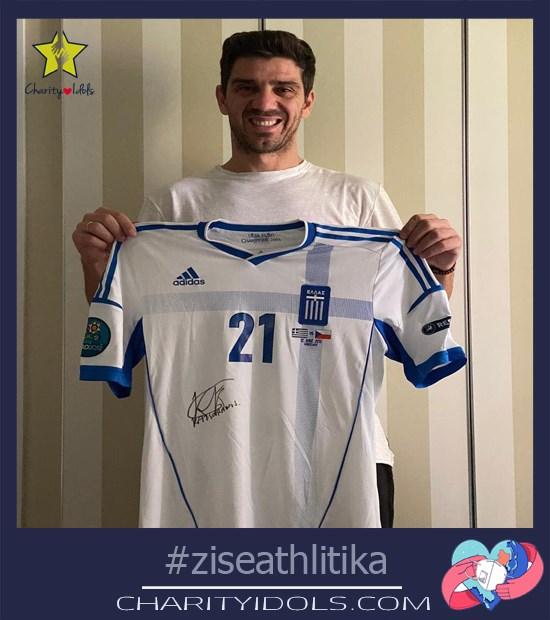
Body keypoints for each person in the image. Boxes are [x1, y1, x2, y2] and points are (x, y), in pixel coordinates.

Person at [72, 30, 462, 527]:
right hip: (208, 468)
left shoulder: (359, 201)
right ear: (222, 98)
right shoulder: (172, 207)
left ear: (308, 101)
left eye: (284, 88)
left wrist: (441, 268)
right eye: (247, 87)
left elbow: (411, 326)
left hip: (347, 467)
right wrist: (98, 268)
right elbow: (129, 332)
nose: (265, 102)